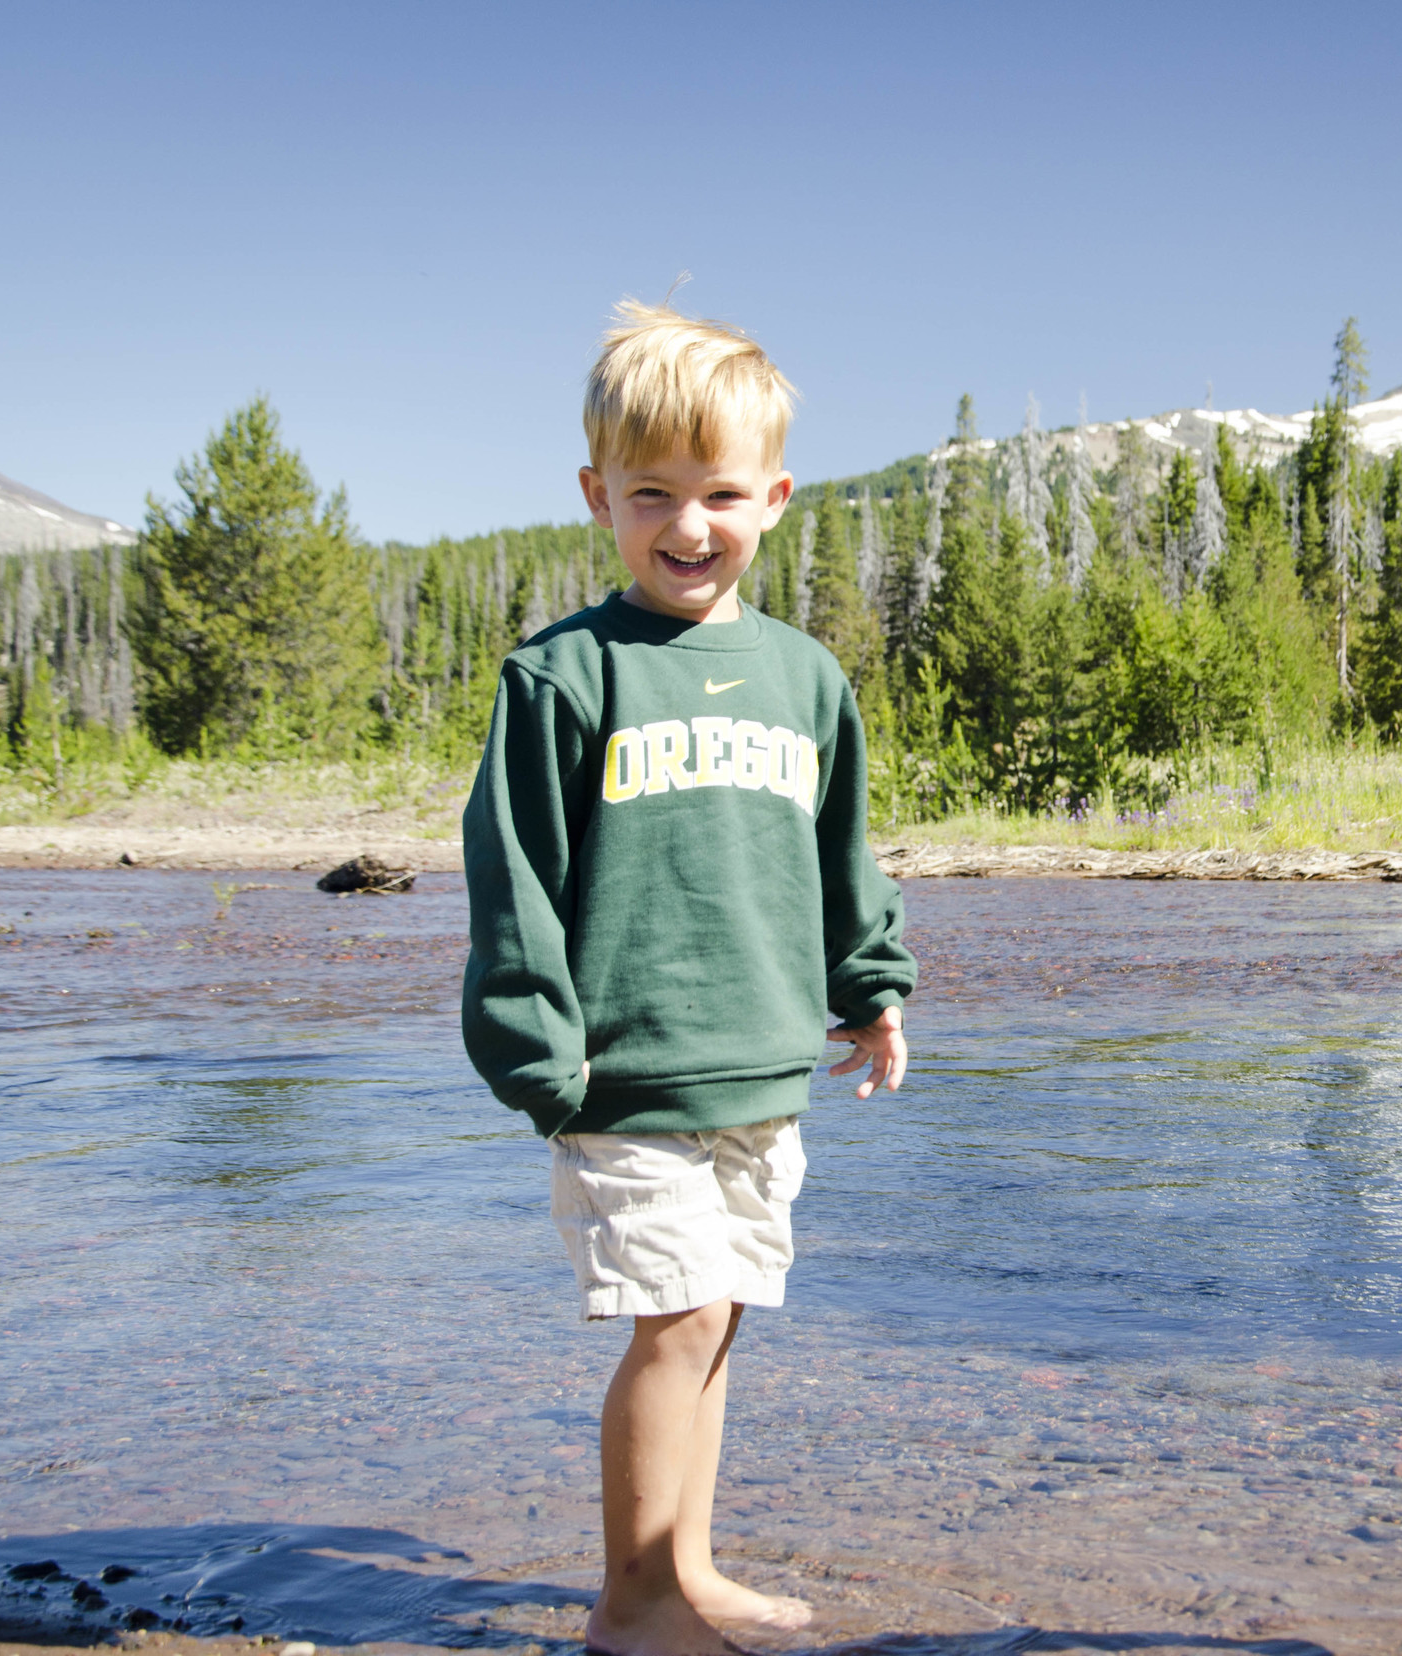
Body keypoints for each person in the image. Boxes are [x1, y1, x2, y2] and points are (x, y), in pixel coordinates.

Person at [461, 300, 916, 1655]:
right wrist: (536, 1055)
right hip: (624, 1068)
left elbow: (842, 853)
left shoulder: (803, 677)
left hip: (761, 1066)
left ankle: (688, 1565)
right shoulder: (564, 676)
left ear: (774, 498)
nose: (689, 524)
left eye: (721, 492)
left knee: (719, 1323)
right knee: (679, 1320)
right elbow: (515, 876)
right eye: (652, 493)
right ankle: (634, 1601)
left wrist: (871, 987)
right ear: (599, 496)